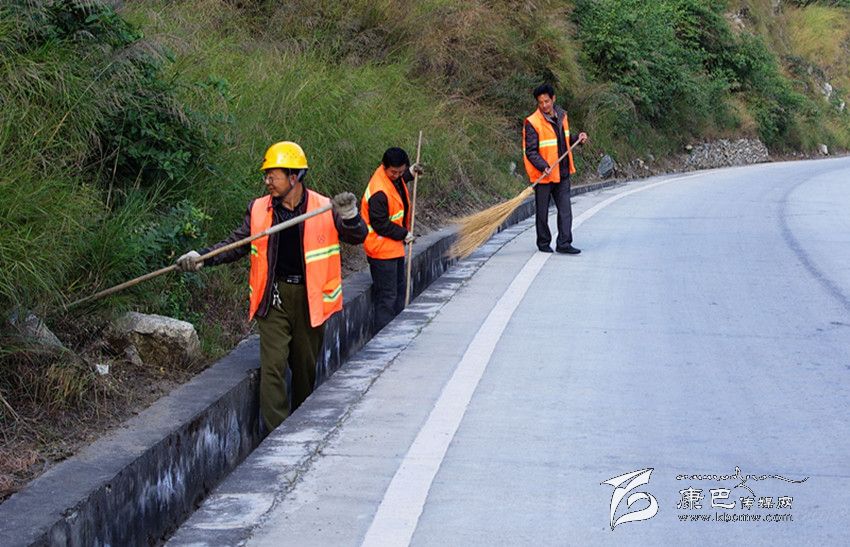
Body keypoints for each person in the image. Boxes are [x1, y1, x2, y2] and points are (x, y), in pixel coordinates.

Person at [176, 141, 367, 432]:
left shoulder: (324, 207)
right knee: (273, 367)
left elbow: (357, 236)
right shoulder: (259, 209)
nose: (267, 181)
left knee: (304, 368)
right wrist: (202, 257)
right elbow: (236, 244)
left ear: (294, 177)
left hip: (310, 299)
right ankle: (279, 432)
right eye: (266, 175)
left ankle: (302, 426)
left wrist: (350, 215)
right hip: (273, 298)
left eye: (272, 175)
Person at [360, 147, 423, 332]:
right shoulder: (378, 192)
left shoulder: (392, 178)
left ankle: (397, 331)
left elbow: (398, 184)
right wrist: (404, 234)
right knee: (387, 297)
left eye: (401, 171)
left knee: (398, 291)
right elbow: (380, 224)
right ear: (384, 166)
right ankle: (384, 337)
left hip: (393, 249)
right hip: (380, 251)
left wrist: (410, 173)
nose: (397, 175)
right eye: (394, 172)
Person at [523, 83, 588, 254]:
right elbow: (531, 151)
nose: (544, 105)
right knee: (542, 212)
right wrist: (543, 166)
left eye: (547, 101)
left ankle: (564, 243)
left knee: (565, 210)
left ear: (553, 99)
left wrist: (578, 138)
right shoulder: (532, 122)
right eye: (540, 102)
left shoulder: (562, 116)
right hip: (544, 174)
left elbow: (564, 140)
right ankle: (543, 243)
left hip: (562, 172)